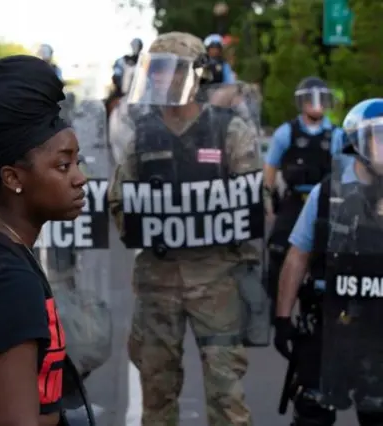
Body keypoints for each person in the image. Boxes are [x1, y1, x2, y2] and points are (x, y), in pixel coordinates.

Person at [108, 31, 267, 426]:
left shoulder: (228, 130)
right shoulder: (141, 135)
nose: (161, 80)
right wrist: (145, 222)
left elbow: (254, 202)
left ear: (196, 75)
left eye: (171, 71)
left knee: (227, 398)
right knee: (157, 398)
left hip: (218, 282)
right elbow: (118, 200)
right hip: (157, 281)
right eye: (156, 72)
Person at [0, 54, 89, 425]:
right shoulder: (4, 278)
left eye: (78, 162)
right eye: (63, 165)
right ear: (13, 178)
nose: (80, 178)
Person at [275, 98, 383, 426]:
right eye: (379, 136)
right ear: (359, 142)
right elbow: (298, 255)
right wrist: (282, 318)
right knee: (313, 414)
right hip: (328, 320)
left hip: (379, 327)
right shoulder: (327, 192)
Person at [263, 76, 344, 317]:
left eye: (321, 100)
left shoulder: (336, 135)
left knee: (332, 251)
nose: (316, 105)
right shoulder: (286, 132)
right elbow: (270, 167)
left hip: (325, 201)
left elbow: (344, 169)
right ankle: (277, 306)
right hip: (294, 199)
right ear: (302, 103)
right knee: (278, 248)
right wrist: (268, 201)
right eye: (311, 100)